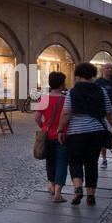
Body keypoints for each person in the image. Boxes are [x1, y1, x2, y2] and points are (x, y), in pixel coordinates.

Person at [57, 63, 112, 206]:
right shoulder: (102, 91)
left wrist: (60, 130)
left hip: (76, 133)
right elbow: (109, 112)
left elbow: (66, 113)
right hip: (96, 132)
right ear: (93, 75)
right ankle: (91, 195)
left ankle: (78, 188)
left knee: (75, 161)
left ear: (78, 75)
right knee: (91, 163)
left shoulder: (72, 92)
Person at [35, 72, 68, 203]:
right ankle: (58, 194)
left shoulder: (44, 98)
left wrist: (44, 126)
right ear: (61, 85)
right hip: (62, 135)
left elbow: (37, 117)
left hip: (47, 134)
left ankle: (52, 186)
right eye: (64, 83)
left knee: (50, 161)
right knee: (61, 163)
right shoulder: (65, 100)